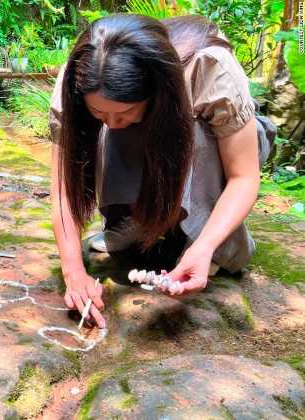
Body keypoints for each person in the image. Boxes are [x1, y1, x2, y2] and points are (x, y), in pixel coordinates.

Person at [48, 14, 275, 328]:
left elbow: (244, 177)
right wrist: (73, 271)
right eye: (98, 112)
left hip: (217, 151)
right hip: (154, 148)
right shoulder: (76, 81)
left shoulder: (208, 68)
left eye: (125, 112)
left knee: (192, 134)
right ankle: (137, 219)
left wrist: (204, 247)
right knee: (111, 130)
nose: (111, 123)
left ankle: (205, 234)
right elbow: (63, 188)